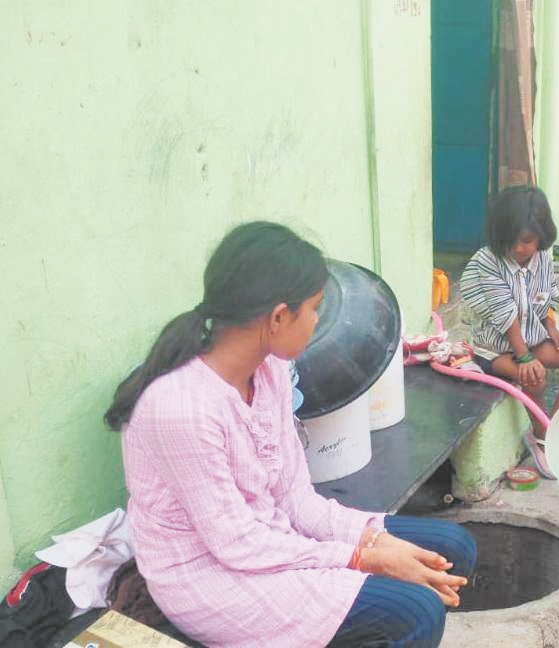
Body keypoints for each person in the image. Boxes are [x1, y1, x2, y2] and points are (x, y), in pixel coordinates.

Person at [105, 222, 475, 648]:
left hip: (271, 540)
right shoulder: (180, 407)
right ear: (279, 317)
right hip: (210, 577)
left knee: (452, 549)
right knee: (416, 611)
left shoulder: (270, 372)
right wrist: (366, 559)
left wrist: (379, 543)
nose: (318, 321)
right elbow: (237, 545)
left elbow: (296, 501)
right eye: (315, 308)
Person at [460, 186, 559, 465]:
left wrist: (550, 326)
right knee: (533, 376)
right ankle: (541, 439)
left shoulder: (544, 260)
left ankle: (556, 428)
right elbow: (505, 313)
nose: (517, 248)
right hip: (495, 350)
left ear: (542, 234)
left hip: (532, 339)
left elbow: (548, 294)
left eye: (526, 240)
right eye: (510, 241)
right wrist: (524, 357)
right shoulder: (487, 261)